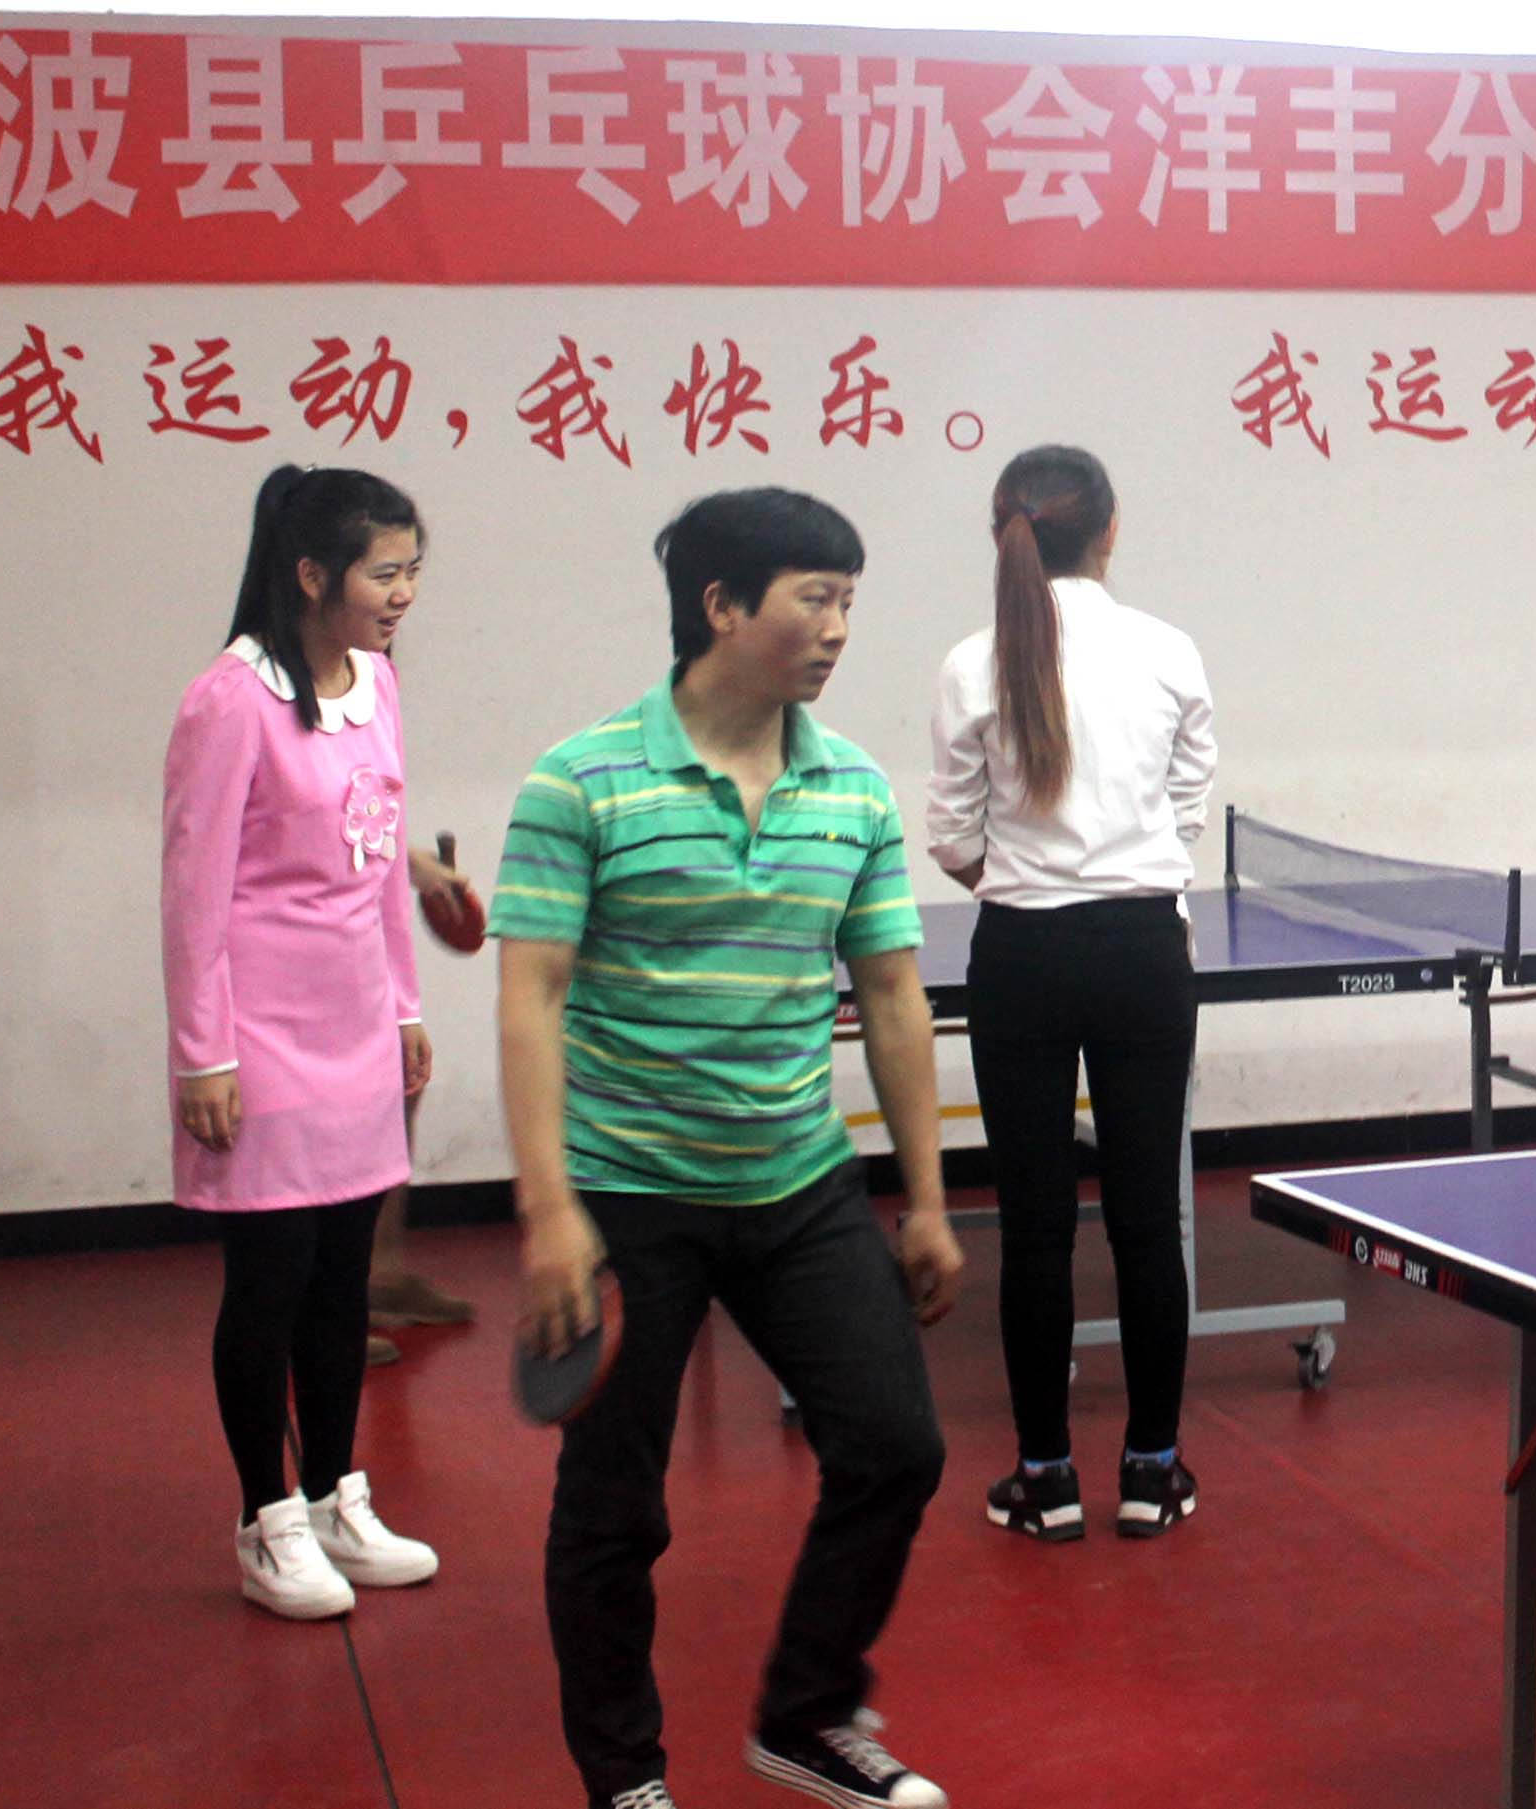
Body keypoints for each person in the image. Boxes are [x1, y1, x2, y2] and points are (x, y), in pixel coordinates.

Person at [497, 488, 965, 1809]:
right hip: (627, 1192)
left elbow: (891, 996)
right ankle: (624, 1778)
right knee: (615, 1508)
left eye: (849, 601)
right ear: (721, 607)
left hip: (797, 1180)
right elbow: (531, 997)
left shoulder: (854, 786)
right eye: (815, 598)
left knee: (896, 1446)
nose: (839, 628)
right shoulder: (581, 780)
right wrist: (548, 1210)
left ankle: (807, 1717)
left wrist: (928, 1199)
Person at [161, 464, 444, 1619]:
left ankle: (334, 1497)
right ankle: (265, 1522)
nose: (404, 594)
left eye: (414, 571)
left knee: (342, 1281)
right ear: (313, 573)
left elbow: (380, 865)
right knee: (269, 1285)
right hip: (262, 1037)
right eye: (386, 573)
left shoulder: (377, 683)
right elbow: (192, 892)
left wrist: (406, 1007)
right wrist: (204, 1053)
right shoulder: (229, 700)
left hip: (354, 1025)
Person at [927, 445, 1217, 1543]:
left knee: (1034, 1230)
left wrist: (1023, 885)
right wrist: (1124, 873)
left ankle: (1045, 1480)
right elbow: (1186, 802)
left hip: (1022, 956)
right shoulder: (1168, 650)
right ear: (1110, 528)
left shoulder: (972, 663)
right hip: (1143, 952)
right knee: (1150, 1223)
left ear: (1004, 531)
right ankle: (1153, 1471)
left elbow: (952, 834)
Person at [364, 842, 484, 1369]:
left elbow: (353, 818)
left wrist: (414, 866)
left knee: (399, 1083)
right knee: (334, 1119)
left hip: (358, 933)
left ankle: (380, 1278)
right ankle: (317, 1312)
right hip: (296, 944)